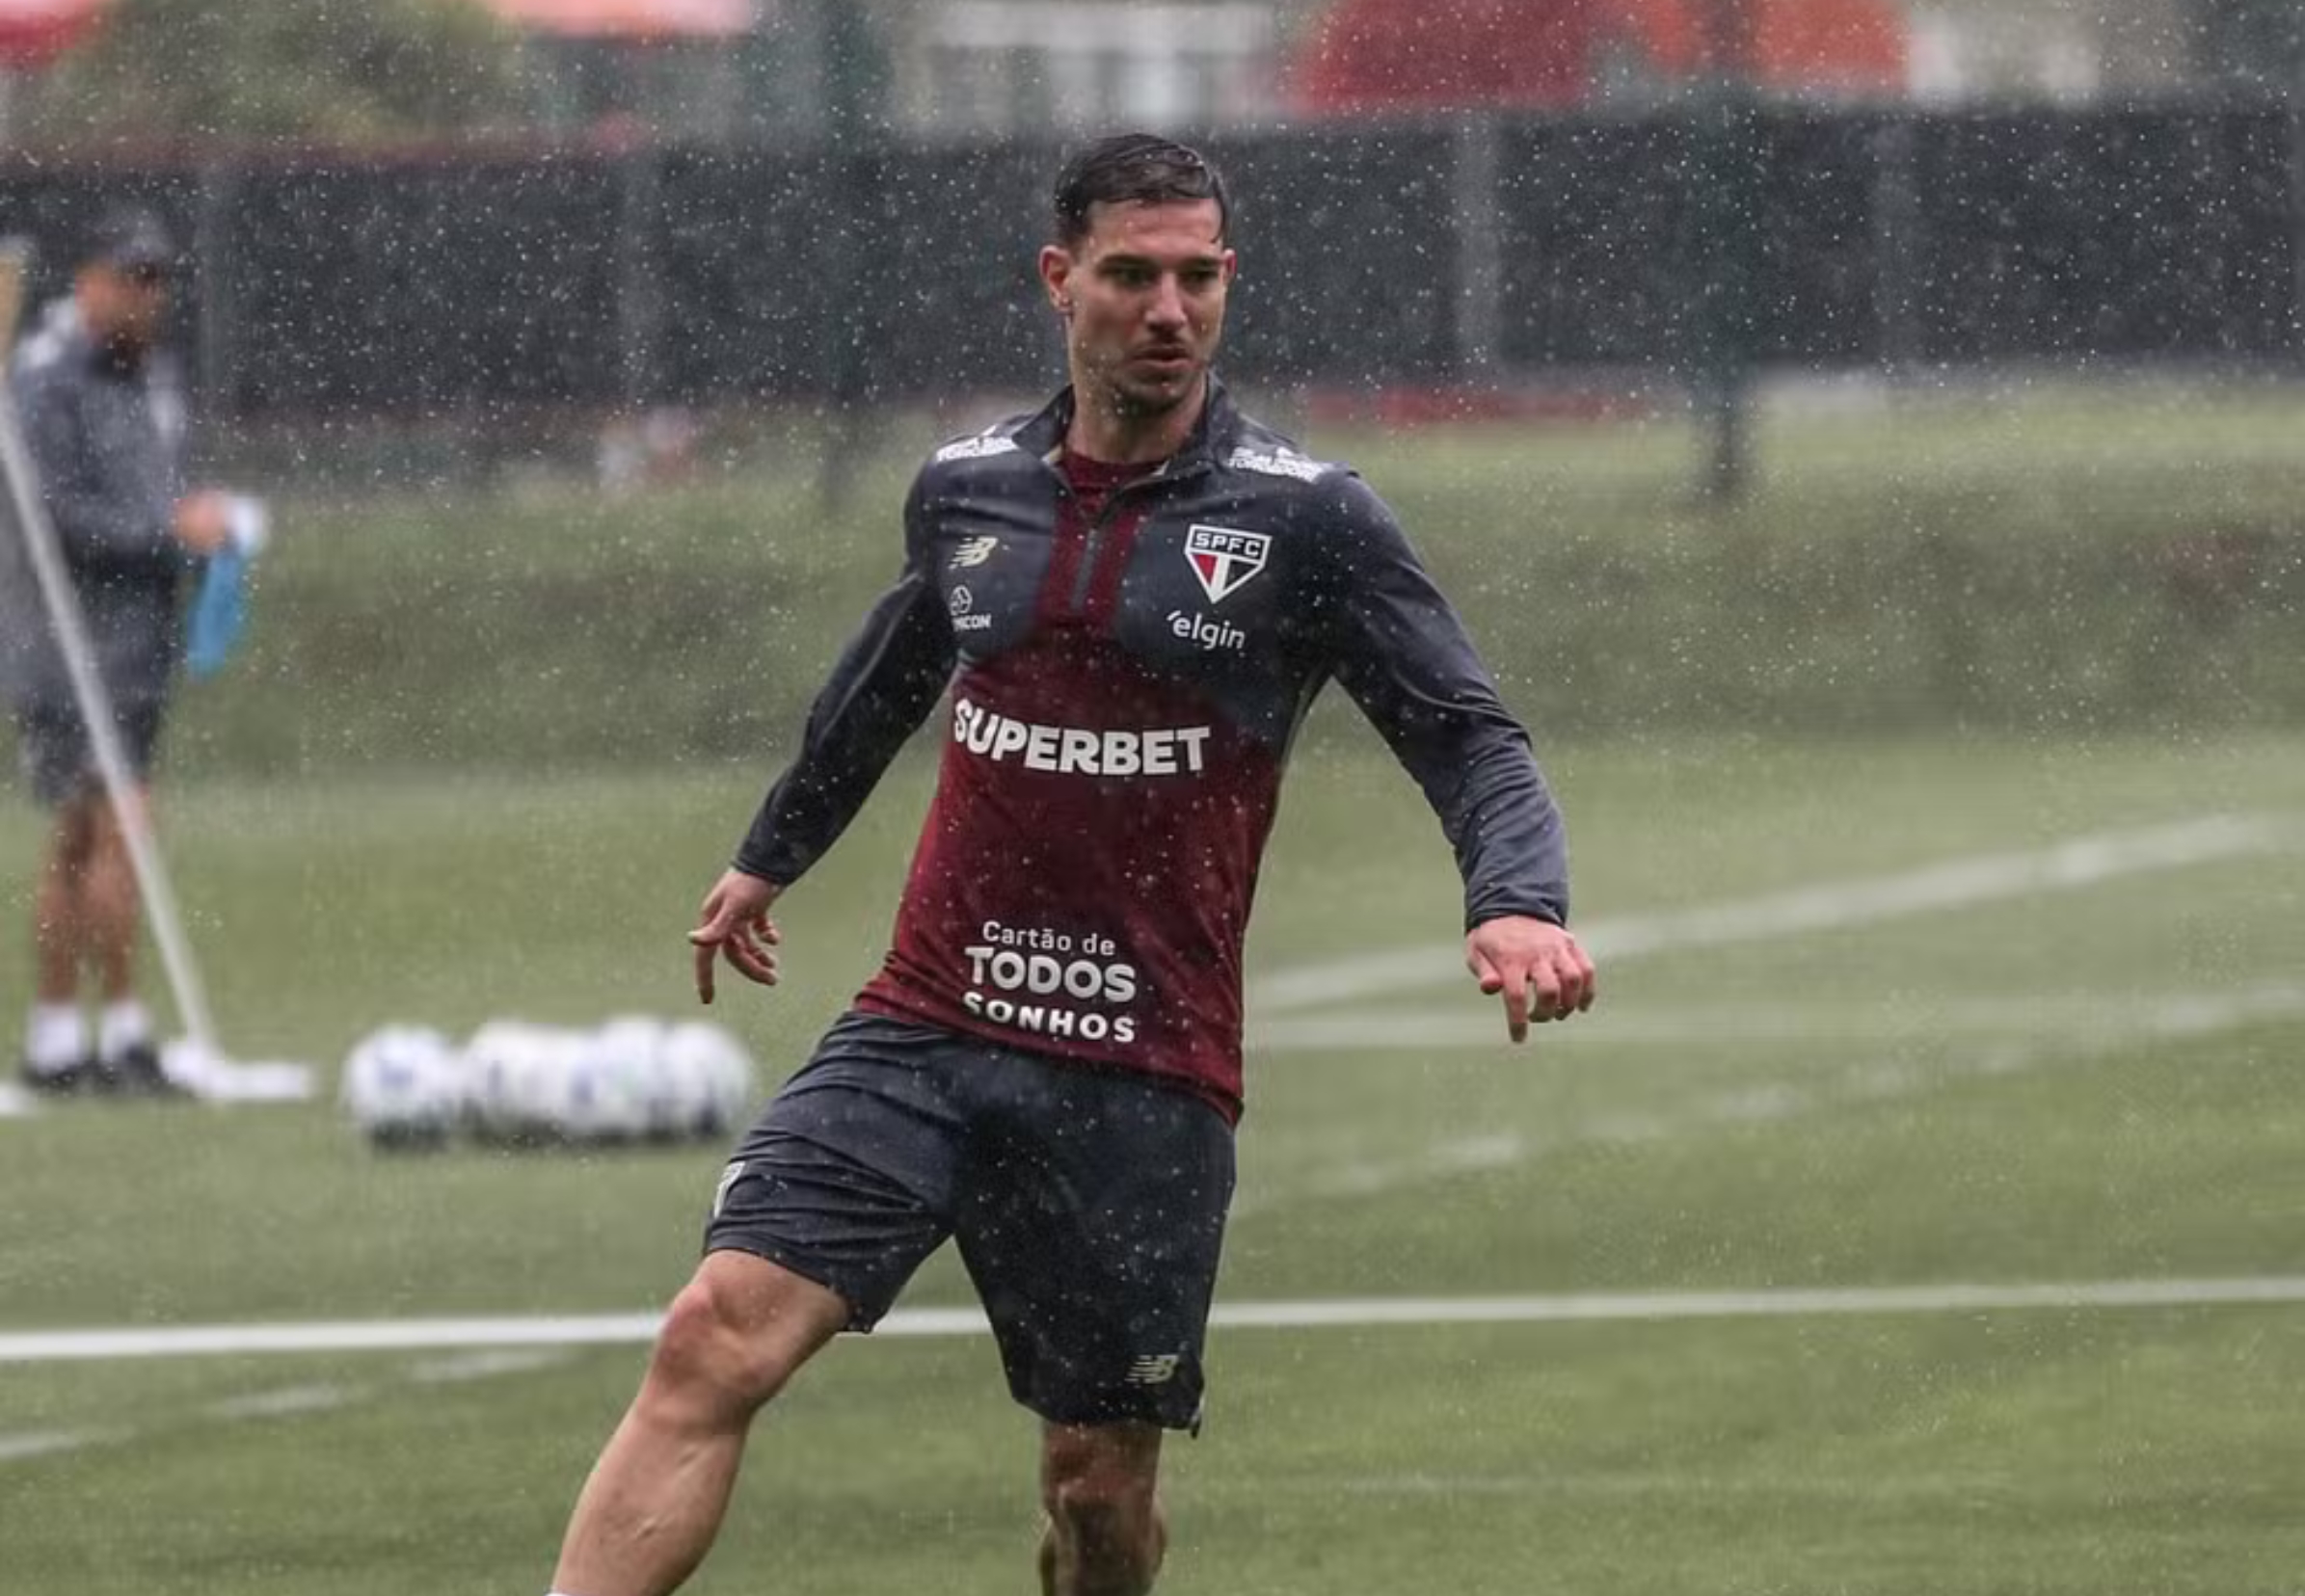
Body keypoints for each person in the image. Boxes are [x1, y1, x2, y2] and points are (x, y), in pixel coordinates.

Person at [544, 132, 1598, 1596]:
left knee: (1094, 1492)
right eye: (1129, 276)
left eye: (1195, 277)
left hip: (1140, 1075)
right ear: (1060, 283)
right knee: (710, 1335)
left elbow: (1467, 732)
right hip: (924, 1023)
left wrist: (1515, 903)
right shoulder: (968, 489)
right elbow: (892, 668)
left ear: (1226, 286)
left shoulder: (1307, 519)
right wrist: (770, 853)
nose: (1166, 309)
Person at [3, 207, 236, 1094]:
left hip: (138, 642)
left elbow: (164, 480)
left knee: (78, 836)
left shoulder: (154, 378)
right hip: (66, 645)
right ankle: (126, 1032)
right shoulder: (44, 381)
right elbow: (58, 519)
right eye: (132, 278)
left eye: (158, 279)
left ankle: (59, 1039)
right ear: (89, 281)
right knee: (116, 832)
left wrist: (199, 522)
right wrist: (168, 533)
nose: (150, 296)